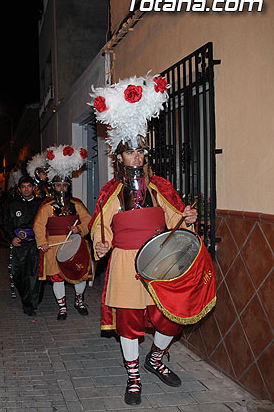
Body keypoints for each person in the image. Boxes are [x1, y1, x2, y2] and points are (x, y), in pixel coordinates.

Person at [89, 73, 199, 405]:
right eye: (130, 152)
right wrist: (100, 244)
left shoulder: (160, 186)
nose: (137, 156)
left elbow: (175, 219)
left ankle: (155, 359)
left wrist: (188, 219)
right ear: (119, 156)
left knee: (169, 318)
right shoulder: (110, 191)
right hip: (124, 264)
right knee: (130, 323)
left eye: (140, 150)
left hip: (160, 260)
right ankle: (134, 376)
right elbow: (100, 227)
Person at [34, 145, 92, 320]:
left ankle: (79, 301)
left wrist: (80, 229)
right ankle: (62, 307)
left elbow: (88, 220)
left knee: (80, 275)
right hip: (53, 247)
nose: (61, 188)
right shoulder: (46, 206)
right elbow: (38, 225)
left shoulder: (76, 203)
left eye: (64, 185)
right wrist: (42, 242)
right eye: (58, 185)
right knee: (57, 278)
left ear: (68, 187)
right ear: (53, 186)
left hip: (75, 244)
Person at [4, 175, 43, 315]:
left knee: (33, 274)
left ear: (33, 188)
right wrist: (12, 237)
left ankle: (30, 304)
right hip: (19, 245)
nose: (26, 189)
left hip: (35, 245)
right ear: (19, 189)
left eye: (29, 186)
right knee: (17, 274)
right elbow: (6, 224)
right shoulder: (13, 205)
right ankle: (27, 297)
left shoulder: (41, 204)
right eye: (23, 187)